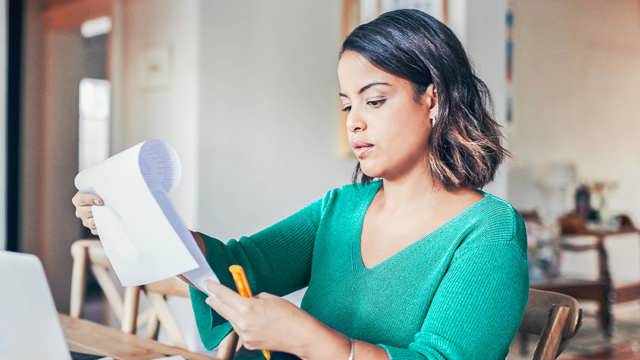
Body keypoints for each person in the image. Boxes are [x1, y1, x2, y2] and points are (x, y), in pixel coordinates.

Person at [73, 9, 528, 360]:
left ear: (433, 99)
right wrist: (144, 222)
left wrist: (314, 342)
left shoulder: (489, 231)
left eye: (375, 100)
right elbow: (240, 266)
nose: (356, 122)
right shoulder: (342, 209)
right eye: (347, 106)